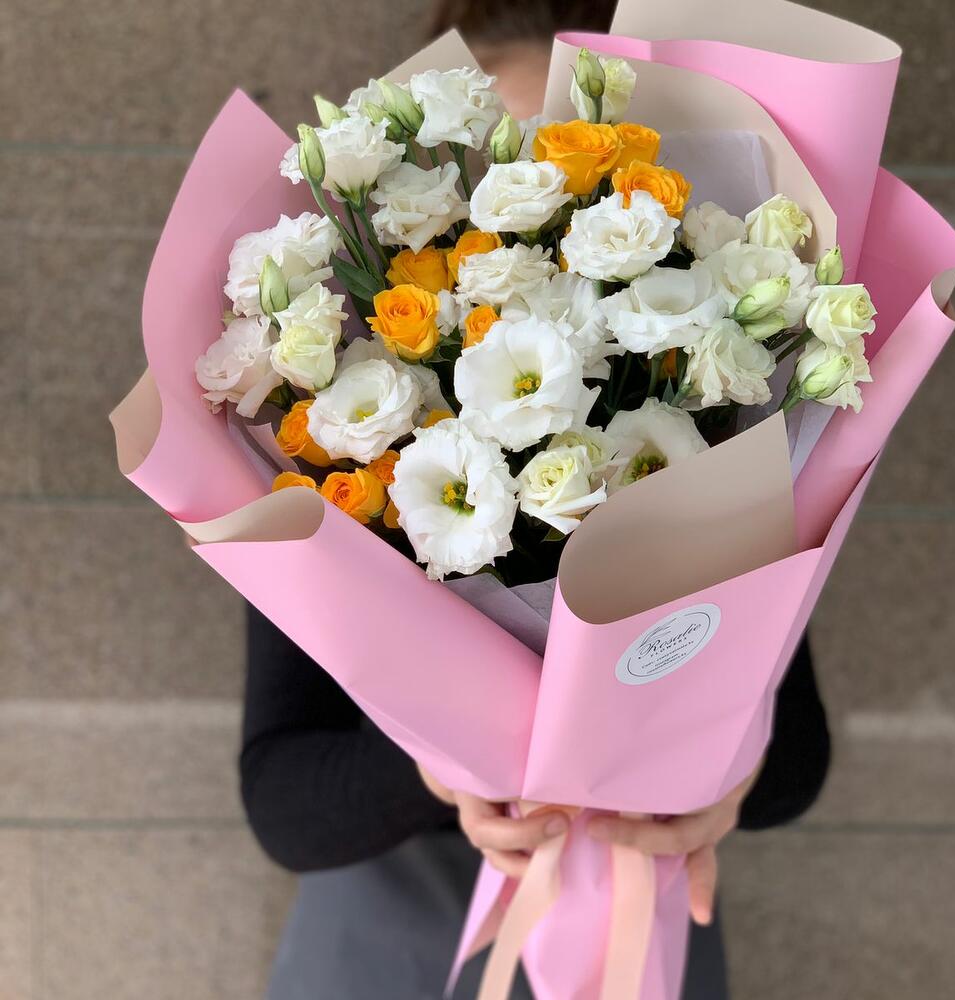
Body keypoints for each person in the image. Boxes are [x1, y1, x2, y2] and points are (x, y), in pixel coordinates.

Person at [244, 3, 832, 997]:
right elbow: (281, 797)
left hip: (641, 920)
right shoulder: (349, 452)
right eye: (494, 175)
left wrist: (725, 779)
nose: (529, 228)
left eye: (568, 188)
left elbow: (796, 749)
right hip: (389, 945)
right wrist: (439, 765)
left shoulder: (703, 433)